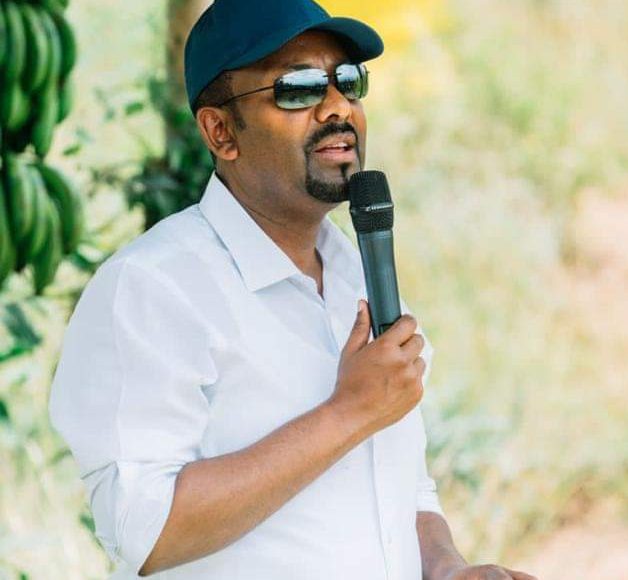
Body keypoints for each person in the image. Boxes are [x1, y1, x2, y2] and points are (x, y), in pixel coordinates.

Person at [48, 1, 537, 578]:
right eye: (297, 89)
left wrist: (448, 568)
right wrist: (347, 413)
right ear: (221, 132)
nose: (338, 107)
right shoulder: (153, 289)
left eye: (348, 81)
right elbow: (145, 531)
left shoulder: (360, 276)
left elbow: (402, 488)